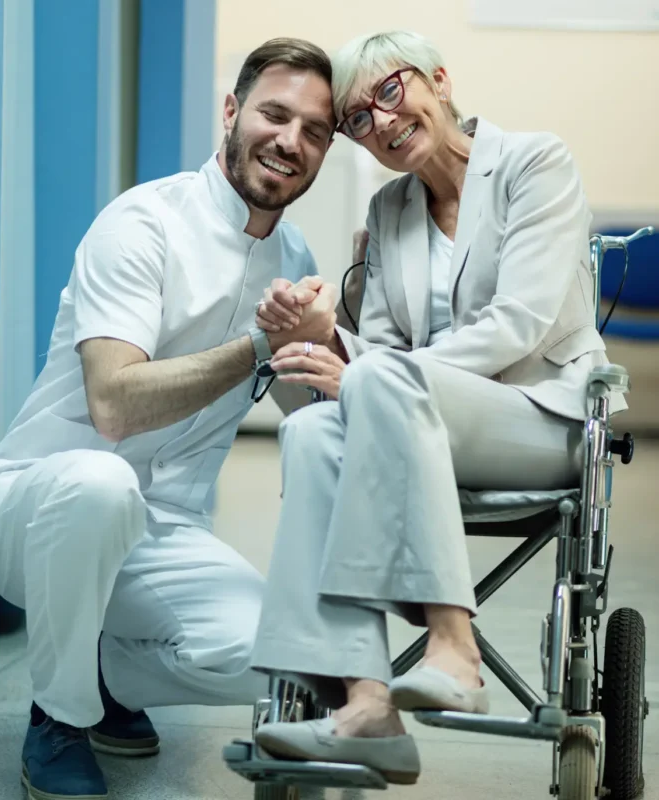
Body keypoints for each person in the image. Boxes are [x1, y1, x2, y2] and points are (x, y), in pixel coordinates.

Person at [248, 29, 627, 785]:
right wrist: (321, 336)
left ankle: (456, 647)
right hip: (418, 423)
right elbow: (381, 341)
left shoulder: (534, 164)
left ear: (439, 81)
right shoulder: (392, 210)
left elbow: (520, 322)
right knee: (315, 428)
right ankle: (364, 701)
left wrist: (368, 368)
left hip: (540, 419)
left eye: (390, 92)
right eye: (358, 119)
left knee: (376, 381)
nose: (381, 123)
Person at [0, 38, 341, 800]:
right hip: (39, 503)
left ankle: (101, 674)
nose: (290, 141)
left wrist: (331, 355)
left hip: (163, 530)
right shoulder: (143, 222)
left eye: (314, 130)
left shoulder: (295, 253)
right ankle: (59, 716)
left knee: (291, 659)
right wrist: (263, 342)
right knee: (101, 484)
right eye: (275, 114)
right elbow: (114, 404)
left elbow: (298, 401)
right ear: (232, 113)